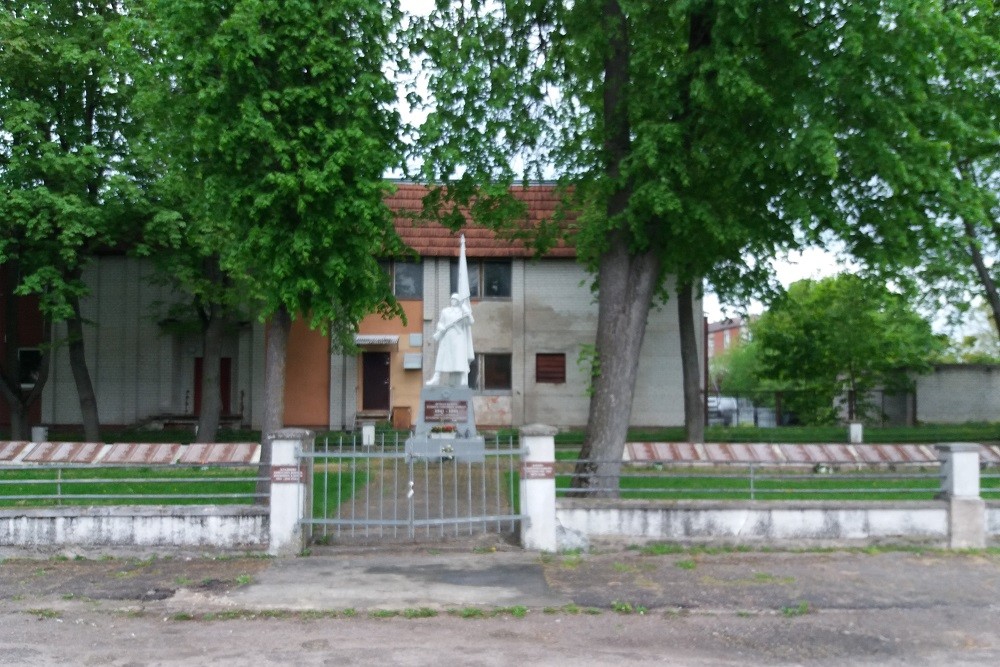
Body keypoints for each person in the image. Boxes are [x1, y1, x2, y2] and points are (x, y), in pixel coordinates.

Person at [427, 294, 474, 386]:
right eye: (452, 299)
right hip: (447, 337)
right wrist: (441, 328)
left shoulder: (462, 312)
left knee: (460, 357)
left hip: (458, 338)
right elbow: (440, 323)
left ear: (458, 301)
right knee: (442, 357)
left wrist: (467, 313)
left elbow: (470, 322)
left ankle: (463, 378)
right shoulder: (445, 311)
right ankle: (436, 378)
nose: (453, 301)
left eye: (455, 299)